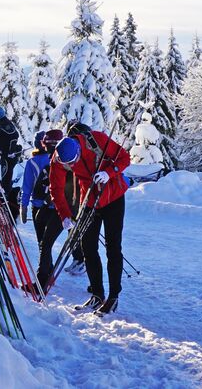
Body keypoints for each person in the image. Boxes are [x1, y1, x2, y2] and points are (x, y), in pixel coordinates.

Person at [50, 122, 131, 315]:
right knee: (88, 247)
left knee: (113, 247)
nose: (70, 166)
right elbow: (56, 188)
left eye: (72, 162)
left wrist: (109, 173)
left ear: (78, 150)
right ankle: (97, 294)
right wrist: (64, 215)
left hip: (113, 196)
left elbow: (125, 158)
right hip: (89, 201)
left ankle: (113, 297)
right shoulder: (59, 158)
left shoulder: (97, 140)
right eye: (66, 164)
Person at [20, 129, 65, 291]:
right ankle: (48, 274)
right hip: (57, 207)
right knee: (46, 244)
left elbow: (27, 186)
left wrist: (23, 206)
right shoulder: (62, 158)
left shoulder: (32, 162)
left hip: (39, 206)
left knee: (43, 244)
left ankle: (42, 279)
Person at [0, 107, 21, 218]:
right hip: (6, 156)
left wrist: (10, 150)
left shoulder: (5, 124)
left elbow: (14, 136)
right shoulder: (3, 124)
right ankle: (9, 200)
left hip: (8, 158)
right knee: (5, 180)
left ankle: (10, 203)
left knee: (6, 180)